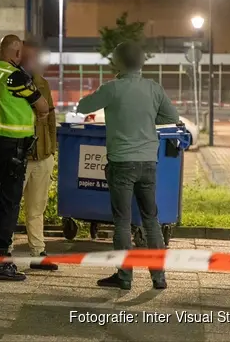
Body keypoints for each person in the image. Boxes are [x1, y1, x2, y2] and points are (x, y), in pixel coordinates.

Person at [76, 42, 180, 291]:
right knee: (151, 220)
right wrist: (146, 119)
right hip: (148, 162)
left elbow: (82, 107)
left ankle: (124, 277)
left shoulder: (112, 88)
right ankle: (159, 277)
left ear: (118, 63)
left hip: (122, 163)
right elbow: (172, 117)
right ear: (142, 63)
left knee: (122, 221)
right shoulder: (153, 88)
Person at [0, 35, 49, 281]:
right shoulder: (15, 77)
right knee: (8, 204)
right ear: (16, 53)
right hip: (12, 148)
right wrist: (38, 114)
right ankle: (0, 262)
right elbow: (42, 106)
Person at [19, 39, 58, 271]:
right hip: (20, 155)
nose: (32, 61)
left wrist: (51, 149)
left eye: (34, 57)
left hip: (42, 156)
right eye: (27, 57)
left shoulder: (42, 84)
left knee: (36, 208)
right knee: (9, 206)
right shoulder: (10, 83)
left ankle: (38, 253)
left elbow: (50, 118)